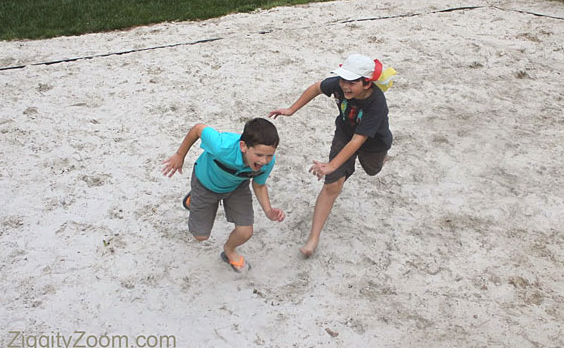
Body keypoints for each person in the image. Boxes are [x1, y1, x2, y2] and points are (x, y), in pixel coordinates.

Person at [269, 54, 392, 257]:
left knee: (372, 170)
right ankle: (313, 238)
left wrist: (332, 165)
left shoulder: (376, 102)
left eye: (352, 82)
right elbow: (317, 87)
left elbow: (358, 141)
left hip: (373, 143)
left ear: (367, 83)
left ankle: (382, 159)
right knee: (332, 185)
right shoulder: (338, 84)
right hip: (345, 134)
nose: (345, 86)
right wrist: (292, 109)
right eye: (343, 80)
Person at [162, 118, 285, 272]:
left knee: (245, 232)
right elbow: (198, 129)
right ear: (243, 146)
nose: (264, 161)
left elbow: (259, 185)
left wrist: (268, 210)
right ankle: (193, 198)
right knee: (200, 236)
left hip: (236, 186)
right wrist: (180, 155)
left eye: (269, 156)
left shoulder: (267, 163)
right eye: (259, 155)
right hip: (205, 184)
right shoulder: (222, 146)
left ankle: (229, 250)